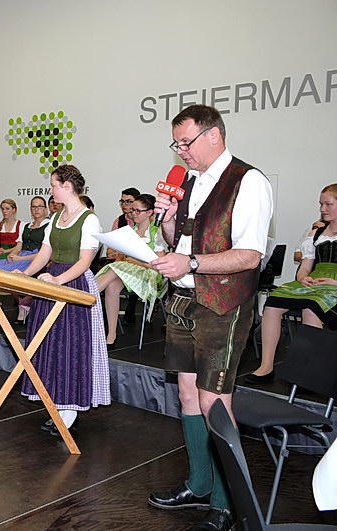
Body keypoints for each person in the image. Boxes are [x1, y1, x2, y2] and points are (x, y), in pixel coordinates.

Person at [148, 104, 273, 531]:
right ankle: (199, 483)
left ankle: (226, 501)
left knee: (213, 400)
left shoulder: (248, 181)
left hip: (223, 303)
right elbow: (179, 242)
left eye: (186, 142)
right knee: (187, 394)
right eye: (176, 144)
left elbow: (250, 255)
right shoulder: (189, 181)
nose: (180, 151)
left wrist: (192, 264)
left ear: (214, 135)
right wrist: (168, 221)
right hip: (184, 300)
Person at [13, 165, 110, 437]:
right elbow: (44, 254)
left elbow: (85, 261)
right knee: (50, 345)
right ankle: (56, 406)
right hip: (52, 281)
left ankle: (69, 412)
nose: (51, 190)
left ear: (67, 186)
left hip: (73, 283)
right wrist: (26, 274)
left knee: (71, 346)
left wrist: (58, 280)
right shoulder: (55, 218)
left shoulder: (89, 219)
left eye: (54, 185)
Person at [246, 184, 337, 383]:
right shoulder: (316, 234)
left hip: (334, 286)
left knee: (311, 308)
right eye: (321, 204)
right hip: (316, 281)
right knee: (273, 302)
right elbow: (305, 266)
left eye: (328, 204)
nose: (323, 209)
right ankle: (266, 366)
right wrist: (303, 277)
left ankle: (311, 372)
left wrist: (334, 282)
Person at [96, 194, 167, 346]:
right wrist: (121, 257)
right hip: (127, 272)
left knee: (115, 269)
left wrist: (133, 261)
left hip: (149, 274)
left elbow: (159, 266)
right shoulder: (130, 232)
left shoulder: (157, 233)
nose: (133, 213)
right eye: (132, 210)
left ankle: (87, 295)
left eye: (137, 211)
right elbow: (121, 259)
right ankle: (111, 333)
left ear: (149, 212)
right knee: (112, 286)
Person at [0, 196, 50, 324]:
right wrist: (13, 255)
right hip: (21, 254)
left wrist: (20, 258)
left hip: (36, 257)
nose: (36, 209)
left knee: (8, 272)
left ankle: (24, 304)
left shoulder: (49, 226)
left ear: (45, 209)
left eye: (39, 206)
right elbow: (18, 246)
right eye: (33, 206)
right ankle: (21, 303)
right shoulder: (27, 226)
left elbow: (44, 253)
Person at [106, 187, 141, 321]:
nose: (124, 205)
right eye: (122, 201)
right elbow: (110, 248)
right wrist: (113, 252)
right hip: (120, 263)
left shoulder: (145, 221)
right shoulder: (119, 221)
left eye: (128, 201)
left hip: (137, 265)